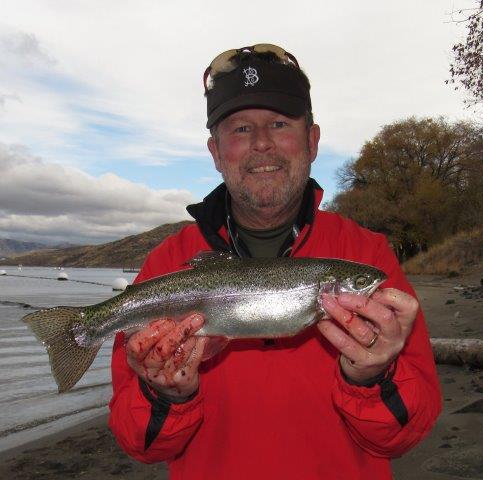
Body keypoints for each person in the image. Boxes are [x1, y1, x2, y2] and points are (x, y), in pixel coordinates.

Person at [109, 44, 441, 480]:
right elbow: (139, 444)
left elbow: (406, 435)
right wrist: (167, 395)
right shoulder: (167, 264)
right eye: (241, 128)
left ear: (312, 141)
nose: (262, 143)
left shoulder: (369, 254)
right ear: (215, 151)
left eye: (280, 124)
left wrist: (373, 377)